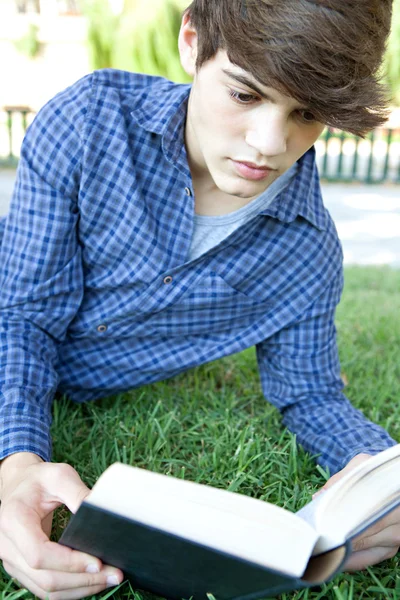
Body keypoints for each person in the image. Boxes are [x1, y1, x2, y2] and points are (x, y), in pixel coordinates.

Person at [0, 0, 398, 598]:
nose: (268, 142)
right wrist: (18, 465)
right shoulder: (88, 122)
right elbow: (23, 317)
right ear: (192, 42)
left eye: (308, 112)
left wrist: (380, 479)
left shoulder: (306, 254)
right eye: (244, 94)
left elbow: (310, 394)